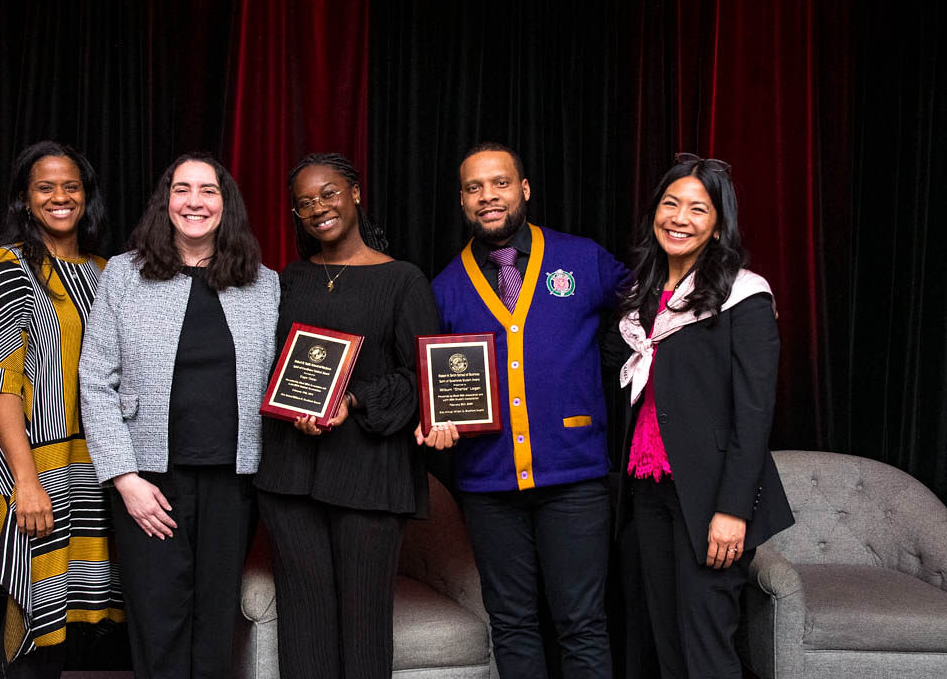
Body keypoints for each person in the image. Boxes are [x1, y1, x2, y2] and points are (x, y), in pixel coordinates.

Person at [420, 142, 626, 678]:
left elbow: (646, 309)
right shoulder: (443, 287)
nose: (488, 196)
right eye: (474, 187)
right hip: (489, 484)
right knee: (511, 624)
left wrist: (598, 365)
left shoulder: (582, 258)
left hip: (575, 474)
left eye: (500, 183)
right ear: (462, 200)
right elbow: (430, 380)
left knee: (582, 624)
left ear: (524, 189)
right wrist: (434, 419)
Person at [78, 153, 278, 678]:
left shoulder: (263, 283)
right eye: (182, 189)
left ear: (225, 203)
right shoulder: (125, 273)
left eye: (208, 191)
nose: (195, 201)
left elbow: (285, 377)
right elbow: (95, 379)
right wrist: (125, 479)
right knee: (158, 623)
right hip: (149, 481)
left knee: (215, 625)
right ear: (165, 202)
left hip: (233, 482)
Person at [254, 153, 439, 679]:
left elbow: (419, 377)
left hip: (370, 477)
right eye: (305, 202)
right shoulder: (286, 279)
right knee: (303, 628)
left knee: (364, 627)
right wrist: (295, 406)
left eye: (328, 193)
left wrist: (351, 400)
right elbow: (265, 366)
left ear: (355, 194)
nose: (319, 208)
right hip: (289, 476)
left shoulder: (403, 279)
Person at [0, 141, 122, 677]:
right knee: (34, 610)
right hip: (33, 462)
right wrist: (26, 481)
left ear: (87, 198)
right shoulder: (9, 266)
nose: (60, 197)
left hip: (91, 465)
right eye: (45, 187)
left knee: (74, 613)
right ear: (24, 199)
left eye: (72, 186)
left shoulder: (107, 271)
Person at [612, 153, 794, 678]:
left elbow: (755, 413)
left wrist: (733, 510)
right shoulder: (640, 297)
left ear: (717, 227)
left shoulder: (744, 295)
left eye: (698, 209)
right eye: (671, 203)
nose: (680, 218)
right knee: (664, 643)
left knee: (706, 650)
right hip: (649, 489)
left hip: (710, 499)